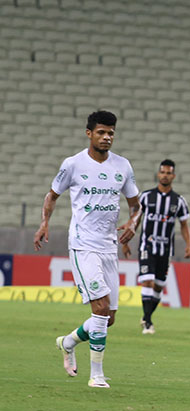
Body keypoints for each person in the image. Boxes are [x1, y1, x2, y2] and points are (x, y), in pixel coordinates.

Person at [34, 110, 140, 389]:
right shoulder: (73, 164)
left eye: (111, 133)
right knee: (101, 307)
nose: (107, 137)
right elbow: (52, 195)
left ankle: (68, 342)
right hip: (83, 245)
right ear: (89, 134)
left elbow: (136, 205)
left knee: (109, 318)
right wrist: (44, 222)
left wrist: (132, 223)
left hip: (109, 246)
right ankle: (97, 375)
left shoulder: (122, 166)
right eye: (102, 132)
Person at [121, 159, 190, 334]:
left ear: (173, 176)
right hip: (147, 246)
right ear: (158, 174)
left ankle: (146, 317)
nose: (165, 175)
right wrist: (127, 240)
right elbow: (135, 220)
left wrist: (189, 244)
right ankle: (148, 322)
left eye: (169, 173)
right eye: (163, 172)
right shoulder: (145, 197)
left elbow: (184, 225)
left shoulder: (179, 201)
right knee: (148, 280)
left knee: (159, 286)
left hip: (166, 249)